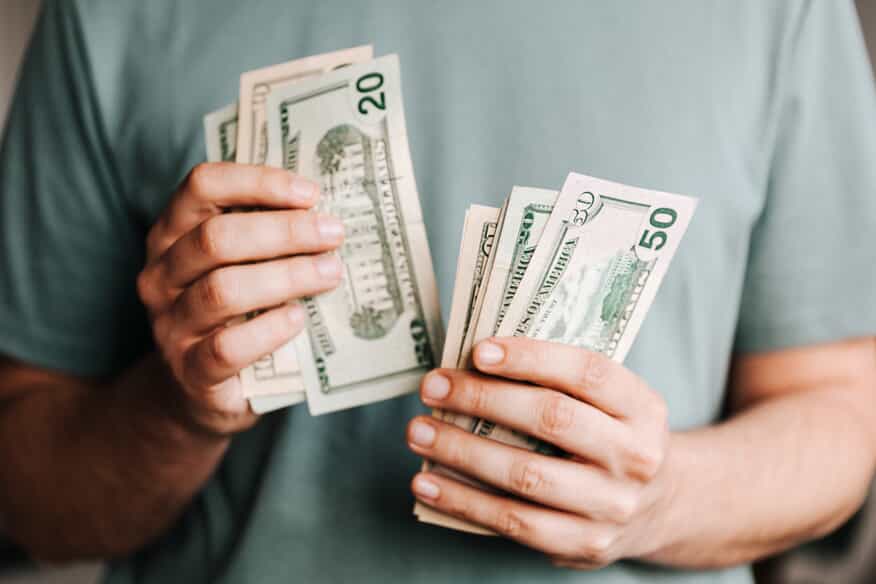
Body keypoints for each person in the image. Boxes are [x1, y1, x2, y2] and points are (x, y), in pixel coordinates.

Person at [1, 1, 875, 583]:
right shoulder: (110, 12)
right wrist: (177, 409)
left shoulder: (777, 12)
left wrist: (662, 499)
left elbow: (840, 407)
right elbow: (28, 497)